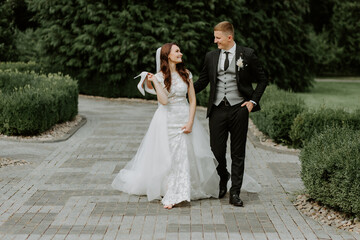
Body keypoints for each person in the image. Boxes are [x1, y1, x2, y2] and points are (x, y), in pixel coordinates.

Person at [112, 43, 220, 209]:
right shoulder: (159, 76)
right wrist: (155, 81)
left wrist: (190, 121)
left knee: (184, 154)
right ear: (167, 55)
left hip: (184, 117)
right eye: (177, 51)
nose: (180, 53)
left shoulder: (186, 74)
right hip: (167, 121)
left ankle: (182, 190)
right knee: (170, 157)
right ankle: (172, 190)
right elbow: (163, 101)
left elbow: (192, 100)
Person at [194, 21, 268, 207]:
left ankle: (235, 192)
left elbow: (263, 79)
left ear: (229, 37)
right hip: (218, 109)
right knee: (216, 151)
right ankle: (222, 176)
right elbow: (202, 81)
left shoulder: (247, 54)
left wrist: (252, 102)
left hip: (239, 109)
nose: (215, 41)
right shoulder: (211, 57)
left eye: (217, 38)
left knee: (238, 152)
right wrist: (181, 91)